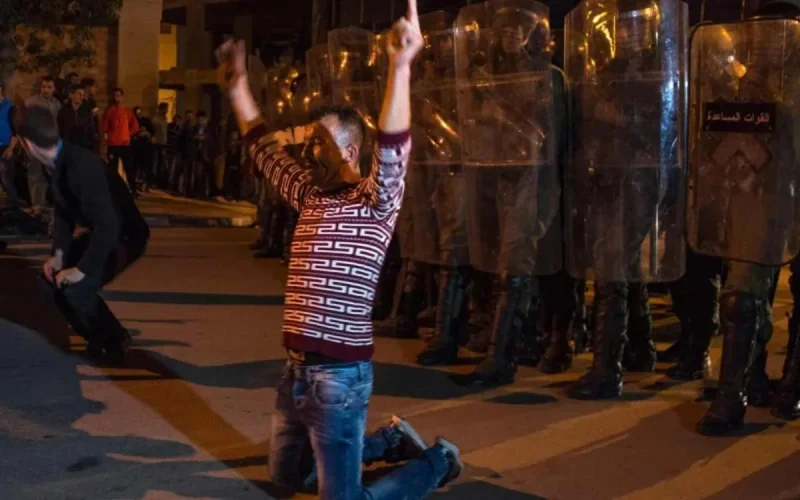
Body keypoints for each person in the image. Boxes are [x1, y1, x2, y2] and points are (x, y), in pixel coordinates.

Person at [216, 0, 462, 496]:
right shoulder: (309, 195)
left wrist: (400, 65)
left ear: (350, 152)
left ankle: (437, 461)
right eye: (310, 141)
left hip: (342, 380)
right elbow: (262, 148)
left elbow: (394, 145)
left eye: (320, 143)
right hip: (297, 375)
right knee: (286, 478)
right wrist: (238, 87)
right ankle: (390, 439)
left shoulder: (374, 201)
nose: (309, 150)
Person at [17, 105, 150, 364]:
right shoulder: (58, 162)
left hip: (125, 236)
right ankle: (97, 337)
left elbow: (109, 226)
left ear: (28, 144)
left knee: (77, 289)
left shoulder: (80, 166)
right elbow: (65, 217)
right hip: (105, 231)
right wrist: (57, 258)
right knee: (52, 283)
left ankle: (116, 339)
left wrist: (80, 270)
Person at [25, 76, 61, 218]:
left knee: (48, 174)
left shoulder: (56, 104)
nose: (45, 90)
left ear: (53, 89)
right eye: (44, 86)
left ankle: (44, 201)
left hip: (50, 144)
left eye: (49, 87)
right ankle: (36, 205)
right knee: (35, 174)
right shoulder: (31, 102)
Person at [103, 87, 139, 194]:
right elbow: (105, 128)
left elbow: (135, 126)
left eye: (119, 95)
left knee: (129, 168)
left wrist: (127, 134)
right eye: (115, 96)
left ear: (122, 97)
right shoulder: (109, 111)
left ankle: (133, 189)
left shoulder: (127, 111)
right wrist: (106, 143)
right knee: (112, 169)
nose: (117, 98)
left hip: (125, 144)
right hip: (113, 144)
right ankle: (113, 190)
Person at [0, 82, 21, 211]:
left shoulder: (10, 107)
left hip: (5, 147)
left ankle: (15, 206)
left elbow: (16, 130)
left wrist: (11, 148)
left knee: (6, 178)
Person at [58, 86, 96, 150]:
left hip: (84, 145)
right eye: (79, 94)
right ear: (71, 95)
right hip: (69, 145)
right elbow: (60, 128)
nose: (82, 97)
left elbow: (91, 127)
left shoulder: (87, 110)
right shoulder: (64, 110)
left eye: (83, 95)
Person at [152, 103, 169, 186]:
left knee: (162, 163)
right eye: (166, 109)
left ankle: (160, 181)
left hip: (163, 143)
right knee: (156, 162)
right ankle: (154, 180)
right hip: (157, 143)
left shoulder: (164, 118)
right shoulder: (156, 118)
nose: (167, 110)